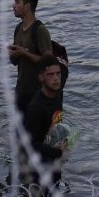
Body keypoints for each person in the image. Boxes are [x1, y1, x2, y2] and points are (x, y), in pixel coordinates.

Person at [22, 55, 66, 185]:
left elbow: (56, 126)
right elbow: (30, 145)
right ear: (41, 77)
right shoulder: (36, 108)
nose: (56, 79)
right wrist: (58, 152)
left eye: (58, 74)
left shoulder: (57, 95)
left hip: (53, 160)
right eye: (50, 75)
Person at [8, 0, 52, 115]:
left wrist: (24, 53)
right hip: (21, 91)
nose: (13, 5)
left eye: (17, 1)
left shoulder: (40, 30)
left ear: (27, 6)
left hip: (38, 93)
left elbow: (49, 62)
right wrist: (13, 53)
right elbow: (15, 62)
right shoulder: (18, 28)